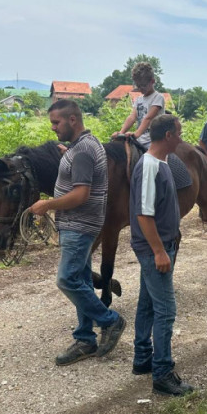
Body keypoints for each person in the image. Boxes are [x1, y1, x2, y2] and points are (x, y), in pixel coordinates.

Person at [29, 99, 126, 366]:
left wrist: (47, 205)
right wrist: (68, 154)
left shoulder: (82, 151)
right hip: (80, 225)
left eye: (56, 122)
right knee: (82, 281)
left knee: (67, 280)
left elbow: (81, 194)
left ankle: (111, 321)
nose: (53, 127)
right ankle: (85, 339)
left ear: (72, 120)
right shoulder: (85, 145)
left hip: (79, 225)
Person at [130, 114, 194, 396]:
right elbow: (144, 215)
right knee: (166, 311)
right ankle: (163, 373)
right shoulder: (149, 166)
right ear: (168, 135)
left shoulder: (162, 162)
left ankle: (143, 358)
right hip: (153, 249)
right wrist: (159, 251)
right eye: (178, 133)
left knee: (147, 303)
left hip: (161, 245)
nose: (181, 138)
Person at [114, 62, 165, 149]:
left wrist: (136, 134)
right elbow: (132, 117)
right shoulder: (138, 100)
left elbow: (148, 118)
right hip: (140, 139)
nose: (140, 88)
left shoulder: (158, 97)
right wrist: (121, 133)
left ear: (152, 81)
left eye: (143, 85)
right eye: (138, 86)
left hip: (154, 140)